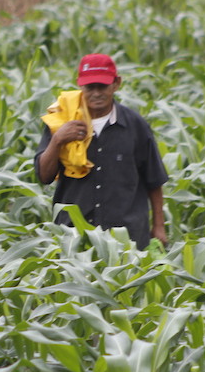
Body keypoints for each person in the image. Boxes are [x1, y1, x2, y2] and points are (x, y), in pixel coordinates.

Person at [34, 53, 168, 249]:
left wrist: (159, 226)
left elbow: (154, 180)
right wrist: (57, 140)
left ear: (116, 84)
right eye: (90, 87)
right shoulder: (61, 122)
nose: (96, 93)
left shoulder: (135, 125)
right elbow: (44, 176)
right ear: (80, 85)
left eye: (102, 86)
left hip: (126, 238)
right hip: (74, 237)